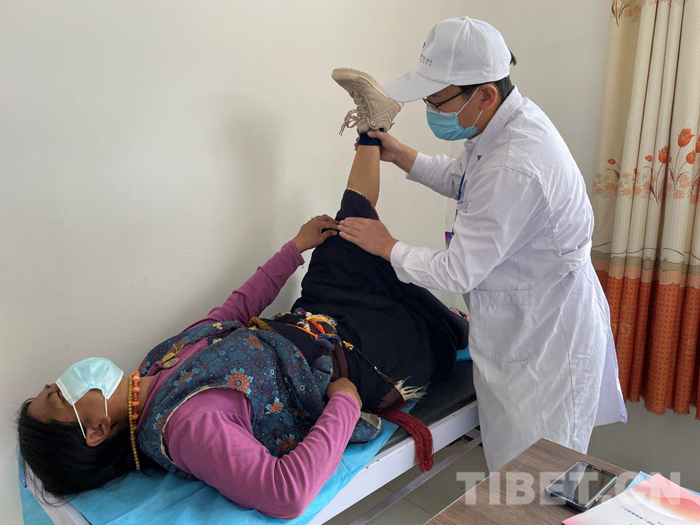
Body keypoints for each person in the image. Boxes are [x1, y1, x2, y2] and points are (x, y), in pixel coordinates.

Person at [17, 71, 468, 520]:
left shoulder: (154, 369)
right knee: (425, 321)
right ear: (96, 431)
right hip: (353, 362)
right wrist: (346, 403)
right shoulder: (186, 428)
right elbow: (286, 494)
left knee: (343, 230)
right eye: (59, 395)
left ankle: (373, 125)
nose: (65, 379)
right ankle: (454, 322)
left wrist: (295, 248)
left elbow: (231, 312)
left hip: (313, 318)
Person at [336, 17, 627, 473]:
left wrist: (387, 246)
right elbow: (466, 178)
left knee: (535, 486)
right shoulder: (501, 123)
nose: (431, 110)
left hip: (545, 344)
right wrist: (403, 156)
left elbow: (457, 270)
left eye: (437, 101)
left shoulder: (516, 162)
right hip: (523, 324)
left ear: (485, 94)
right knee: (514, 480)